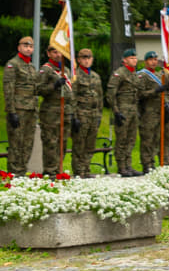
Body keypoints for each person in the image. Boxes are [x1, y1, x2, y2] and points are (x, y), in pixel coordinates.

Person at [4, 36, 42, 174]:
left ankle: (22, 171)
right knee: (16, 142)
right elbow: (8, 89)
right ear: (19, 47)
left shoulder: (31, 67)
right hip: (18, 109)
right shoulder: (12, 64)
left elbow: (35, 88)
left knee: (28, 142)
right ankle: (14, 173)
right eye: (25, 46)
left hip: (31, 109)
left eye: (30, 47)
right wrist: (11, 111)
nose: (28, 49)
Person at [37, 47, 72, 175]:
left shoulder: (66, 70)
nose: (58, 55)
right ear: (49, 53)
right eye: (55, 52)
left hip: (65, 111)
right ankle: (50, 171)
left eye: (60, 52)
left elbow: (70, 92)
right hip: (50, 111)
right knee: (50, 142)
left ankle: (58, 169)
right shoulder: (46, 69)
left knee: (63, 142)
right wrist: (54, 85)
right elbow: (38, 89)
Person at [109, 49, 143, 176]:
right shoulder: (120, 73)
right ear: (125, 60)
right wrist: (116, 111)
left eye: (135, 58)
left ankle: (128, 165)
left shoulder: (134, 74)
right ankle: (121, 166)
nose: (134, 60)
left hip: (133, 109)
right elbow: (111, 94)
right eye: (131, 58)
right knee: (122, 139)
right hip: (122, 109)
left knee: (131, 139)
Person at [69, 48, 103, 177]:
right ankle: (78, 171)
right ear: (78, 60)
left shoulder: (95, 76)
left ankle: (86, 168)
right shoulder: (75, 76)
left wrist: (99, 114)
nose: (87, 60)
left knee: (90, 143)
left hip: (94, 114)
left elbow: (100, 97)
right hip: (81, 113)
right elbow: (72, 97)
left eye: (89, 58)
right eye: (84, 58)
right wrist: (74, 116)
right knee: (79, 143)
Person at [136, 53, 169, 171]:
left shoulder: (159, 75)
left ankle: (152, 162)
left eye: (155, 60)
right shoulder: (142, 75)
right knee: (147, 139)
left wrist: (166, 104)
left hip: (159, 111)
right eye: (151, 60)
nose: (154, 62)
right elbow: (140, 94)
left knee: (156, 138)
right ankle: (146, 164)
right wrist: (155, 91)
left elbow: (164, 92)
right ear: (145, 61)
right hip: (148, 112)